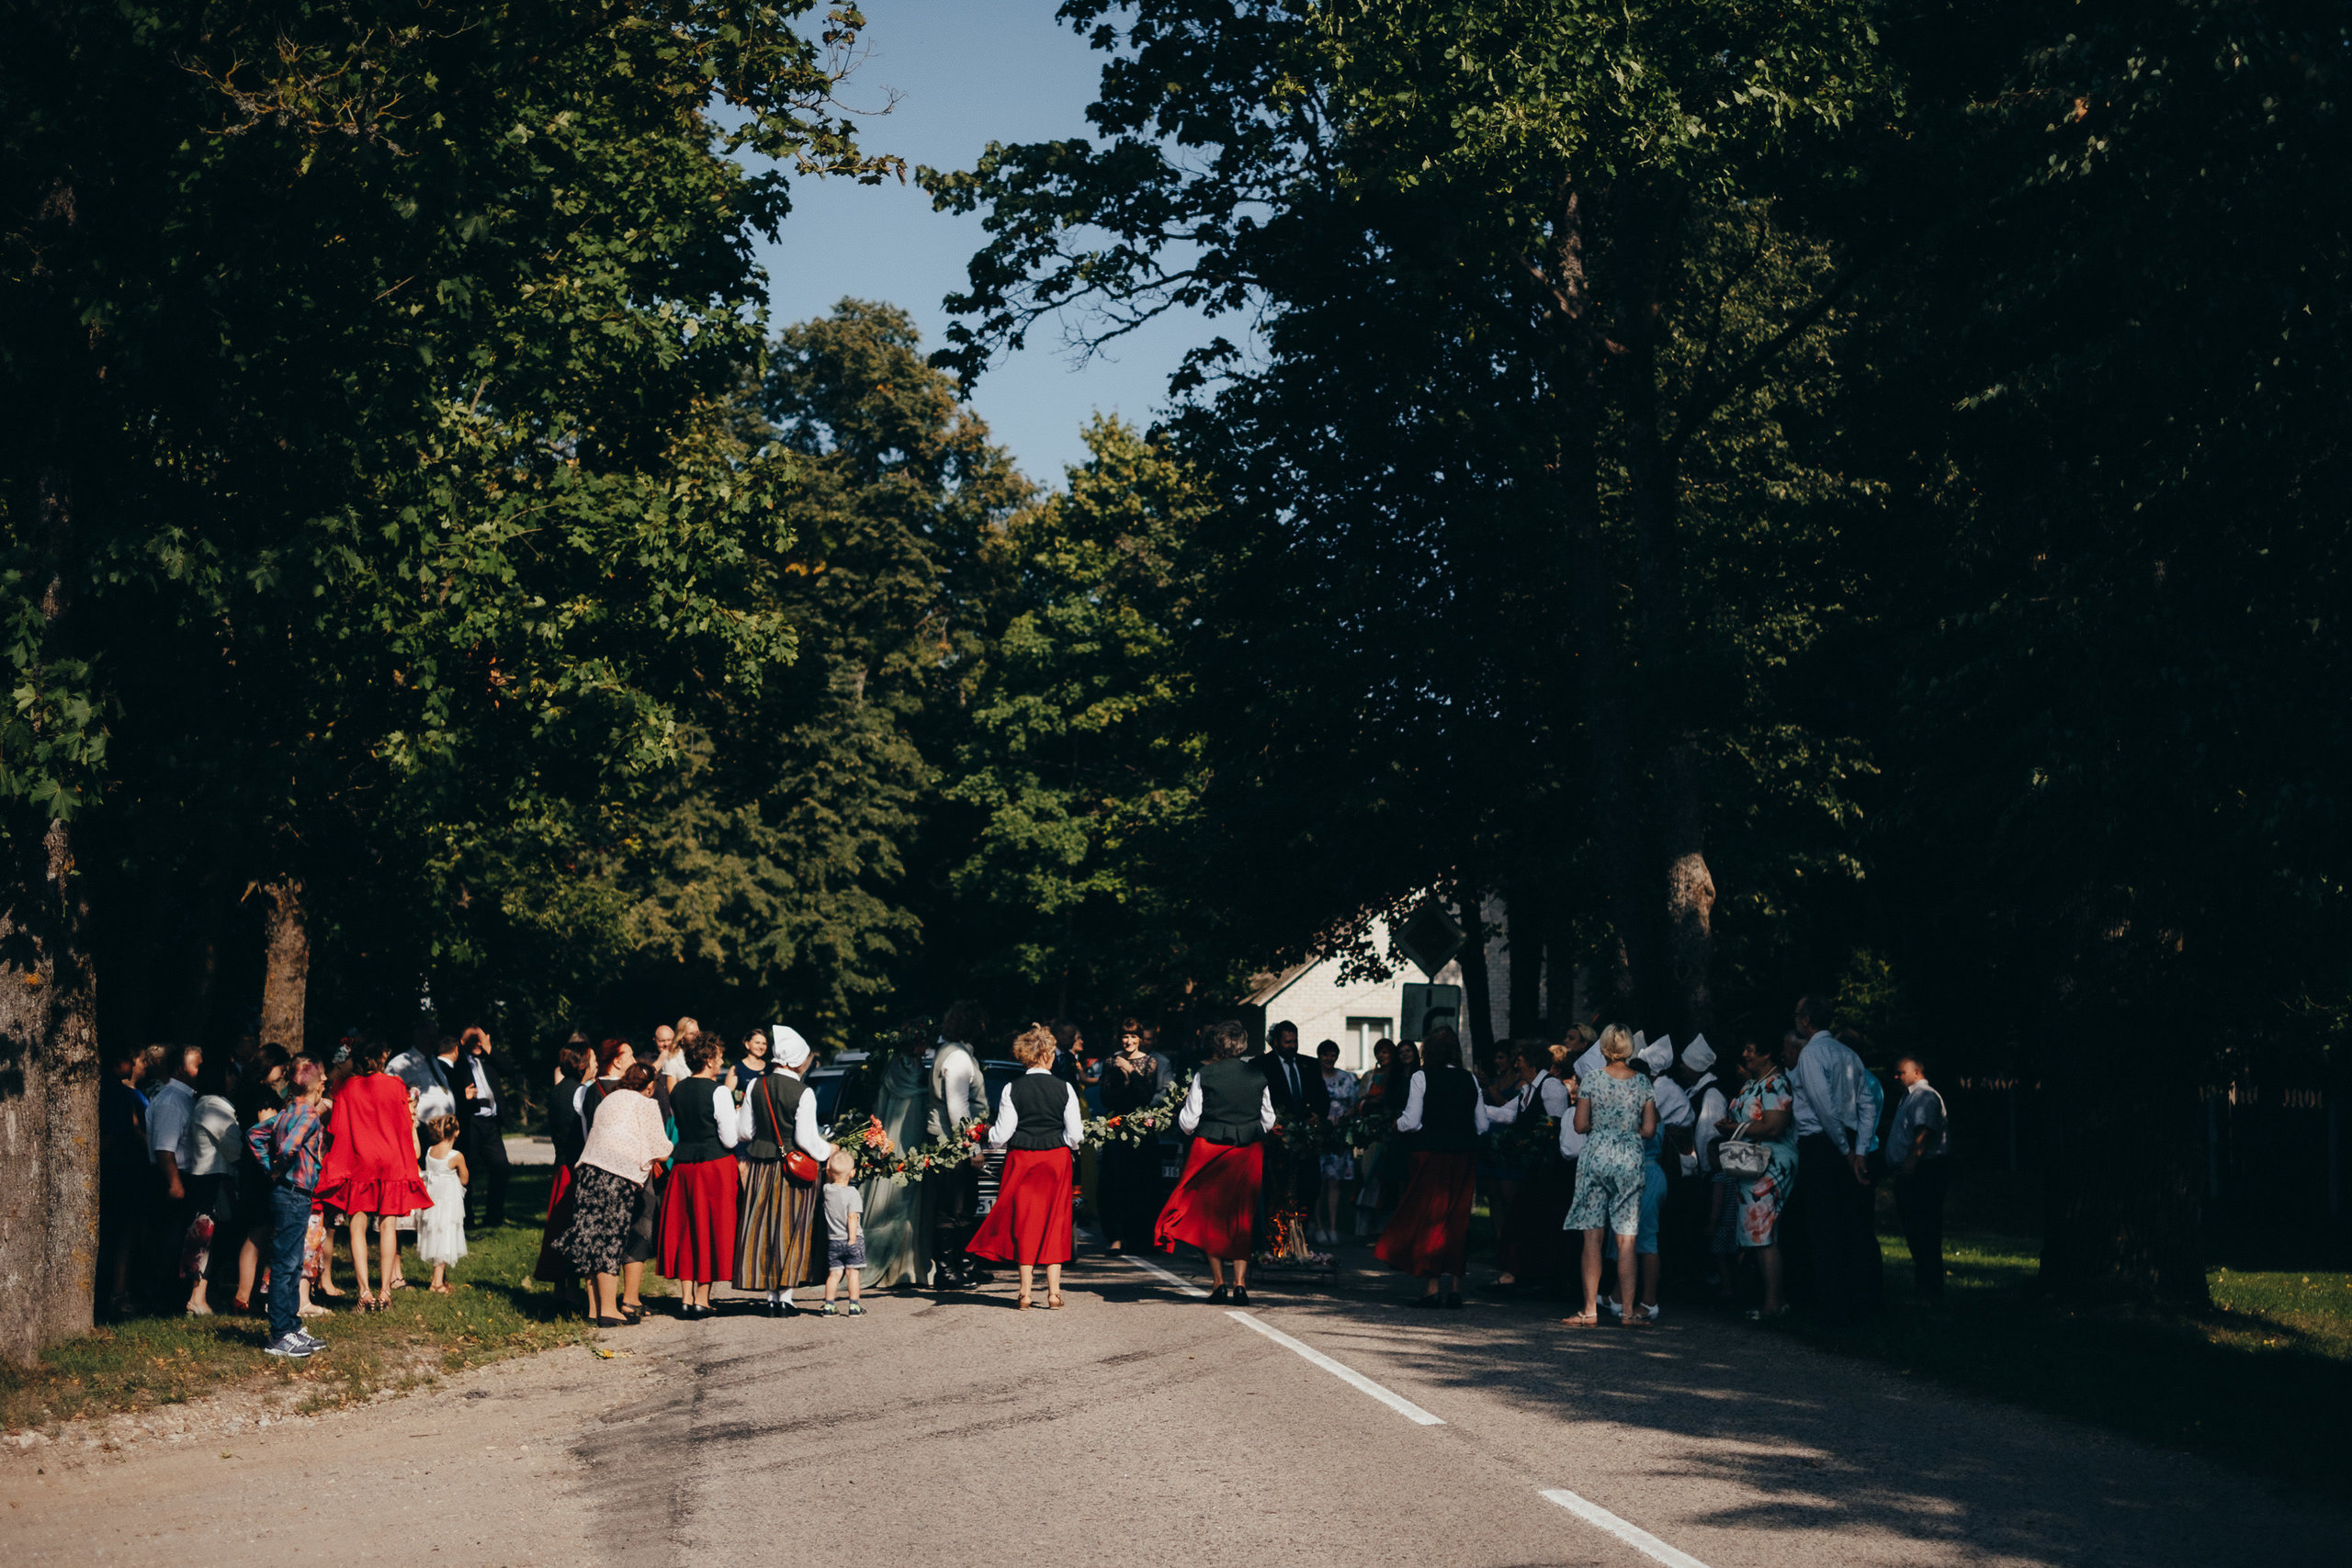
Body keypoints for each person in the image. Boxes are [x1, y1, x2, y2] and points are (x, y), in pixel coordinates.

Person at [1157, 1020, 1275, 1304]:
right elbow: (1269, 1120)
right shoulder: (1258, 1075)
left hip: (1210, 1147)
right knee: (1242, 1216)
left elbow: (1188, 1122)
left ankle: (1218, 1284)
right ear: (1243, 1045)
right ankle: (1241, 1284)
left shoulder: (1205, 1074)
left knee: (1211, 1215)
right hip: (1247, 1149)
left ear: (1217, 1045)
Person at [967, 1023, 1084, 1308]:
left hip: (1022, 1160)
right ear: (1044, 1054)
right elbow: (1076, 1135)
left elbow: (1001, 1136)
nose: (1055, 1056)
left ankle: (1025, 1293)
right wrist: (1066, 1144)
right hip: (1056, 1159)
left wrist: (986, 1136)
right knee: (1056, 1222)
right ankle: (1054, 1294)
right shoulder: (1065, 1087)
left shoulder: (1012, 1088)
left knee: (1025, 1222)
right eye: (1053, 1051)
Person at [1375, 1026, 1492, 1307]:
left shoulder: (1421, 1076)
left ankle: (1431, 1287)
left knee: (1430, 1217)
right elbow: (1483, 1124)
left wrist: (1396, 1125)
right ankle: (1455, 1287)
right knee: (1457, 1218)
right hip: (1463, 1154)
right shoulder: (1469, 1079)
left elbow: (1412, 1120)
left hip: (1430, 1154)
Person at [314, 1038, 433, 1312]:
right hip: (389, 1160)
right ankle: (385, 1293)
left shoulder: (345, 1087)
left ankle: (364, 1293)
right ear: (381, 1057)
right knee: (388, 1226)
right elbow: (403, 1124)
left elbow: (337, 1127)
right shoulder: (395, 1085)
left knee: (358, 1227)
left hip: (360, 1160)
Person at [554, 1064, 673, 1326]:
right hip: (616, 1175)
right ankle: (609, 1310)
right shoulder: (646, 1104)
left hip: (587, 1171)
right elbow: (660, 1150)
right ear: (649, 1086)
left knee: (592, 1238)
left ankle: (595, 1309)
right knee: (610, 1237)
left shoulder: (609, 1100)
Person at [734, 1025, 835, 1316]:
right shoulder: (803, 1092)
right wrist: (830, 1151)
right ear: (795, 1061)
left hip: (760, 1166)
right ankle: (786, 1297)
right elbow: (806, 1140)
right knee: (792, 1229)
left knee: (763, 1229)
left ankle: (770, 1298)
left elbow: (744, 1132)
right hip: (792, 1171)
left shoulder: (755, 1085)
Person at [1561, 1025, 1657, 1328]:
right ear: (1629, 1048)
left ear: (1603, 1048)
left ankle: (1590, 1309)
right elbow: (1649, 1130)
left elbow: (1579, 1125)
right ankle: (1628, 1311)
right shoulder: (1643, 1083)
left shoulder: (1591, 1080)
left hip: (1597, 1156)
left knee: (1593, 1236)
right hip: (1629, 1158)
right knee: (1626, 1239)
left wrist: (1600, 1128)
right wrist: (1628, 1131)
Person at [1788, 995, 1876, 1325]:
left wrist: (1847, 1150)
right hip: (1848, 1142)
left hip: (1823, 1145)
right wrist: (1861, 1149)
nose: (1796, 1019)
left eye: (1798, 1015)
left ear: (1807, 1021)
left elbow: (1823, 1107)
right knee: (1851, 1223)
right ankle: (1860, 1302)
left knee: (1824, 1226)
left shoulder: (1811, 1054)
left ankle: (1834, 1308)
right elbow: (1867, 1105)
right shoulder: (1849, 1054)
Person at [248, 1057, 330, 1359]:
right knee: (285, 1265)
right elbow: (286, 1148)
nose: (325, 1085)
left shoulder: (287, 1113)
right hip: (293, 1194)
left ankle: (292, 1326)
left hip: (292, 1194)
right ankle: (280, 1334)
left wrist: (269, 1165)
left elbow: (254, 1134)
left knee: (293, 1263)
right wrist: (276, 1167)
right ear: (316, 1085)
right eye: (323, 1081)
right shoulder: (307, 1115)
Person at [1716, 1038, 1799, 1318]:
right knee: (1757, 1231)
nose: (1744, 1054)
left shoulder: (1777, 1084)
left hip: (1771, 1162)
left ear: (1767, 1053)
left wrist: (1736, 1127)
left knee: (1763, 1230)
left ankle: (1774, 1304)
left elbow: (1775, 1126)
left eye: (1750, 1050)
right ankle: (1774, 1299)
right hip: (1750, 1162)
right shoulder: (1752, 1084)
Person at [660, 1032, 740, 1318]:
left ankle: (685, 1296)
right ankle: (702, 1299)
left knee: (686, 1227)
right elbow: (729, 1139)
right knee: (709, 1228)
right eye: (717, 1057)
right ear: (707, 1059)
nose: (720, 1062)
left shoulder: (677, 1090)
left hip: (683, 1165)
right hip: (713, 1165)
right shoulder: (718, 1091)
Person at [1486, 1040, 1576, 1292]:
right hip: (1535, 1167)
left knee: (1539, 1218)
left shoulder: (1551, 1088)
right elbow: (1504, 1114)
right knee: (1525, 1217)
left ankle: (1540, 1274)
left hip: (1550, 1169)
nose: (1516, 1064)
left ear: (1533, 1063)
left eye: (1520, 1060)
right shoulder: (1529, 1089)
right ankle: (1521, 1272)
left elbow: (1555, 1127)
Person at [857, 1020, 931, 1289]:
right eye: (923, 1042)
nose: (926, 1048)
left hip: (904, 1138)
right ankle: (901, 1265)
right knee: (902, 1193)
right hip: (903, 1139)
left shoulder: (903, 1067)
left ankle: (907, 1265)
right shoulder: (904, 1068)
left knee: (907, 1193)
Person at [926, 1000, 992, 1287]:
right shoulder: (958, 1058)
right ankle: (947, 1270)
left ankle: (966, 1265)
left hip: (950, 1140)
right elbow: (958, 1108)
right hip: (951, 1143)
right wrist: (973, 1148)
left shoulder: (951, 1052)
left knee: (964, 1208)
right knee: (952, 1209)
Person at [1096, 1016, 1170, 1254]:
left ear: (1140, 1039)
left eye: (1133, 1037)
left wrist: (1131, 1073)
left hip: (1142, 1125)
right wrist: (1122, 1078)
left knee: (1142, 1182)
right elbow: (1106, 1098)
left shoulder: (1150, 1063)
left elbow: (1146, 1097)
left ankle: (1140, 1237)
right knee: (1114, 1181)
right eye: (1125, 1036)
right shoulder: (1111, 1061)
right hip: (1118, 1124)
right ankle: (1115, 1236)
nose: (1129, 1041)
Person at [177, 1057, 243, 1316]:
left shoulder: (207, 1105)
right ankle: (197, 1298)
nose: (234, 1078)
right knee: (203, 1241)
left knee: (207, 1241)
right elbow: (233, 1147)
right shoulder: (212, 1107)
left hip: (208, 1177)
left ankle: (201, 1296)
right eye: (230, 1073)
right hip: (210, 1178)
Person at [1255, 1019, 1330, 1233]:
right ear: (1276, 1042)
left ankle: (1301, 1232)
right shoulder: (1261, 1065)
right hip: (1277, 1139)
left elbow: (1323, 1097)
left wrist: (1318, 1115)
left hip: (1306, 1140)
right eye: (1288, 1042)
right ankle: (1275, 1235)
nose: (1292, 1046)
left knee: (1308, 1186)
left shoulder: (1310, 1064)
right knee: (1276, 1188)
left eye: (1295, 1041)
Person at [1887, 1054, 1950, 1302]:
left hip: (1924, 1170)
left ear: (1915, 1072)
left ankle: (1930, 1288)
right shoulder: (1910, 1097)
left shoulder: (1924, 1096)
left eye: (1900, 1072)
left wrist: (1911, 1161)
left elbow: (1923, 1131)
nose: (1896, 1077)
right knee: (1916, 1229)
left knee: (1924, 1229)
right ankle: (1925, 1284)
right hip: (1915, 1169)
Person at [145, 1044, 200, 1304]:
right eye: (196, 1065)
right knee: (168, 1240)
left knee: (179, 1240)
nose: (201, 1070)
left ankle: (173, 1294)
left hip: (183, 1175)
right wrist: (175, 1183)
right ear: (181, 1068)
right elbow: (164, 1149)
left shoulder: (187, 1098)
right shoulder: (170, 1100)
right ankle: (162, 1297)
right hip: (172, 1178)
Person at [97, 1053, 150, 1319]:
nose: (134, 1066)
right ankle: (118, 1291)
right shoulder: (118, 1093)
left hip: (109, 1170)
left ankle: (103, 1290)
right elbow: (120, 1132)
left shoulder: (102, 1087)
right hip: (120, 1170)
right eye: (130, 1060)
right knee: (122, 1235)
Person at [458, 1025, 510, 1228]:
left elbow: (509, 1069)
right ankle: (466, 1218)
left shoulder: (489, 1060)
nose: (477, 1044)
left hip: (491, 1121)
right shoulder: (458, 1062)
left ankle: (494, 1216)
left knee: (501, 1166)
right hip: (471, 1120)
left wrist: (490, 1049)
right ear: (462, 1042)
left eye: (480, 1039)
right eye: (473, 1040)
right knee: (467, 1169)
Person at [1312, 1039, 1360, 1246]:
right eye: (1326, 1054)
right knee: (1318, 1183)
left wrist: (1345, 1117)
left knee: (1335, 1182)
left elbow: (1356, 1104)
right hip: (1319, 1135)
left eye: (1333, 1055)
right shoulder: (1313, 1077)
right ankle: (1318, 1226)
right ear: (1319, 1056)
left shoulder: (1347, 1078)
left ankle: (1332, 1227)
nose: (1329, 1058)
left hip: (1340, 1135)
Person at [416, 1114, 469, 1292]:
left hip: (432, 1200)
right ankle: (436, 1283)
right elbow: (465, 1179)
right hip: (448, 1202)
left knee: (435, 1236)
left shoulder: (430, 1151)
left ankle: (441, 1278)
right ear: (456, 1132)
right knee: (445, 1237)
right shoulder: (456, 1156)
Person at [820, 1148, 867, 1315]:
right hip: (851, 1239)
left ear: (829, 1172)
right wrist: (853, 1238)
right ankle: (854, 1306)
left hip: (834, 1240)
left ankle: (829, 1305)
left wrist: (829, 1163)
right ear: (852, 1173)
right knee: (852, 1273)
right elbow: (852, 1216)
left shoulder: (827, 1190)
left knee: (834, 1274)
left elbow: (828, 1175)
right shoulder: (852, 1193)